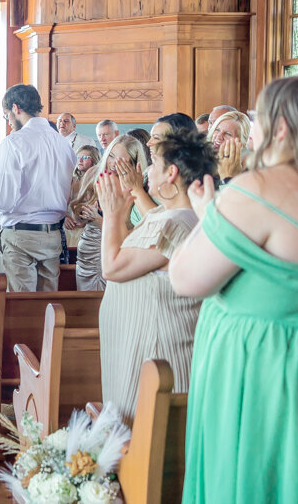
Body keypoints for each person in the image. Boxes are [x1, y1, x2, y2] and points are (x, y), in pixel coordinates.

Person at [169, 76, 298, 502]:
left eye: (259, 121)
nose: (255, 132)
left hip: (261, 370)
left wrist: (208, 216)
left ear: (281, 128)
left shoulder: (258, 189)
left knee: (252, 477)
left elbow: (185, 279)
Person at [95, 129, 216, 423]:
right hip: (139, 348)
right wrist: (121, 212)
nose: (147, 171)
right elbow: (126, 248)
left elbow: (112, 266)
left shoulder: (177, 222)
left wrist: (111, 216)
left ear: (171, 173)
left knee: (151, 440)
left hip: (157, 350)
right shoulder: (165, 214)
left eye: (154, 164)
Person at [0, 85, 76, 292]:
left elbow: (4, 200)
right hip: (52, 234)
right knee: (46, 307)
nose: (8, 122)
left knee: (20, 308)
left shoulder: (14, 142)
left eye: (7, 115)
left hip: (20, 236)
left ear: (16, 108)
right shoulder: (63, 143)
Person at [68, 167, 104, 290]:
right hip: (89, 244)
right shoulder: (93, 172)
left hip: (108, 243)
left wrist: (98, 219)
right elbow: (79, 220)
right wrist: (82, 209)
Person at [209, 110, 252, 182]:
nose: (219, 136)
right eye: (217, 130)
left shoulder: (247, 165)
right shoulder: (202, 155)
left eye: (228, 134)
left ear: (241, 141)